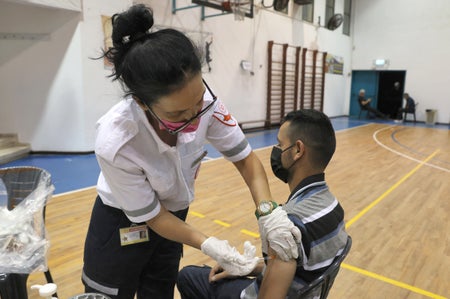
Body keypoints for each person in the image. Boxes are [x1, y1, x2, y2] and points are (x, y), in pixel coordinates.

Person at [81, 4, 300, 299]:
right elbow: (153, 217)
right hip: (123, 223)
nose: (196, 118)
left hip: (175, 216)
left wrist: (268, 212)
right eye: (180, 114)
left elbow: (246, 160)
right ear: (143, 104)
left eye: (199, 103)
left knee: (159, 290)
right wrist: (208, 243)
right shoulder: (117, 142)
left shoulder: (203, 101)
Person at [177, 109, 349, 299]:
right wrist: (249, 267)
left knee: (188, 276)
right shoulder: (334, 207)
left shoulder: (287, 226)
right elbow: (301, 270)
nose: (275, 150)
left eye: (280, 144)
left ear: (298, 150)